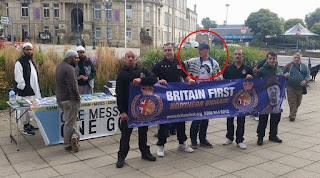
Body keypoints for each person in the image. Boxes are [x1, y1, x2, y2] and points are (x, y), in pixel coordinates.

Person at [116, 50, 158, 168]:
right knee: (125, 135)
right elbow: (119, 94)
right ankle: (121, 157)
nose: (130, 59)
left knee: (143, 132)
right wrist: (122, 111)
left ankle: (145, 152)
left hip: (142, 108)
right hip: (128, 110)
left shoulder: (142, 71)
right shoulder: (122, 74)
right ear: (125, 59)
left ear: (136, 59)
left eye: (132, 57)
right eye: (128, 57)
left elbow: (154, 78)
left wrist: (141, 80)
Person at [152, 42, 195, 157]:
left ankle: (182, 143)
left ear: (174, 51)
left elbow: (186, 76)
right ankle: (161, 146)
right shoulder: (159, 65)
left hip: (178, 98)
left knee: (181, 121)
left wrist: (189, 80)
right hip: (165, 99)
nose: (167, 52)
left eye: (169, 50)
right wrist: (158, 81)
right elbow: (151, 77)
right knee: (163, 123)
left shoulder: (180, 64)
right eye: (165, 50)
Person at [184, 43, 222, 149]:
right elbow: (181, 66)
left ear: (207, 50)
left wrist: (216, 79)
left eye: (201, 49)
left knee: (206, 117)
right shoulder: (193, 61)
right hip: (196, 92)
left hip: (208, 92)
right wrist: (188, 79)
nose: (199, 51)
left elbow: (219, 75)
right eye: (199, 49)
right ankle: (193, 139)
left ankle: (203, 139)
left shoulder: (214, 63)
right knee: (197, 116)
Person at [256, 51, 290, 146]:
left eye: (273, 58)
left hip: (277, 98)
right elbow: (257, 82)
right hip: (265, 98)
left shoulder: (279, 69)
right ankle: (260, 137)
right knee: (263, 119)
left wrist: (285, 77)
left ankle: (273, 135)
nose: (272, 60)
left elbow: (281, 81)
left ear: (276, 59)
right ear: (267, 59)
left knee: (276, 118)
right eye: (270, 58)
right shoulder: (262, 70)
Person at [222, 49, 253, 149]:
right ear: (233, 56)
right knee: (229, 118)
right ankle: (229, 137)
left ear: (242, 56)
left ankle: (240, 140)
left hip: (243, 98)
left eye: (239, 54)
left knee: (241, 119)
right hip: (231, 98)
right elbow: (223, 82)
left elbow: (255, 81)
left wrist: (251, 76)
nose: (237, 56)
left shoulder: (248, 69)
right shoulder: (228, 69)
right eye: (235, 54)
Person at [55, 50, 81, 152]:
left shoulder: (59, 66)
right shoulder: (69, 68)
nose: (78, 60)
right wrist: (77, 97)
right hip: (69, 99)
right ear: (69, 58)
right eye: (76, 58)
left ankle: (74, 137)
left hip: (60, 98)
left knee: (72, 120)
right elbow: (73, 85)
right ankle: (67, 144)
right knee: (70, 122)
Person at [14, 42, 41, 135]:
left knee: (31, 109)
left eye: (31, 50)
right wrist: (25, 88)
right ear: (23, 50)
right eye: (27, 50)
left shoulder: (30, 61)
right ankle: (25, 127)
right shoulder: (19, 62)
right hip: (25, 91)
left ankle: (29, 124)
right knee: (24, 110)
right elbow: (18, 78)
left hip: (33, 89)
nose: (29, 51)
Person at [283, 52, 310, 122]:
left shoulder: (304, 66)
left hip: (300, 87)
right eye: (295, 58)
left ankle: (293, 112)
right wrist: (285, 75)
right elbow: (282, 73)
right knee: (292, 102)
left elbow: (308, 75)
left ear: (300, 59)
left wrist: (305, 80)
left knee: (298, 102)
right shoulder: (288, 66)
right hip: (290, 86)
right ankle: (292, 116)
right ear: (293, 58)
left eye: (298, 58)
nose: (296, 59)